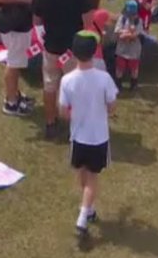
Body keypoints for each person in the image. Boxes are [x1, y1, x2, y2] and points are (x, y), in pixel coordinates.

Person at [58, 31, 118, 238]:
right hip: (98, 137)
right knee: (92, 178)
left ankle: (89, 209)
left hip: (78, 137)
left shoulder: (67, 80)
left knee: (82, 173)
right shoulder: (104, 78)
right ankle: (83, 217)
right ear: (94, 52)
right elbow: (111, 107)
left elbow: (63, 112)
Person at [33, 0, 95, 140]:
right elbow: (87, 23)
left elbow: (37, 21)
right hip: (74, 48)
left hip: (51, 45)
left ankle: (50, 123)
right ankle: (77, 124)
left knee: (49, 85)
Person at [110, 0, 146, 90]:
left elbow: (137, 34)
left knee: (134, 68)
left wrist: (127, 35)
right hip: (122, 49)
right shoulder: (122, 19)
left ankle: (133, 84)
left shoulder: (139, 21)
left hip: (134, 50)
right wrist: (125, 33)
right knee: (119, 67)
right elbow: (117, 30)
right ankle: (118, 84)